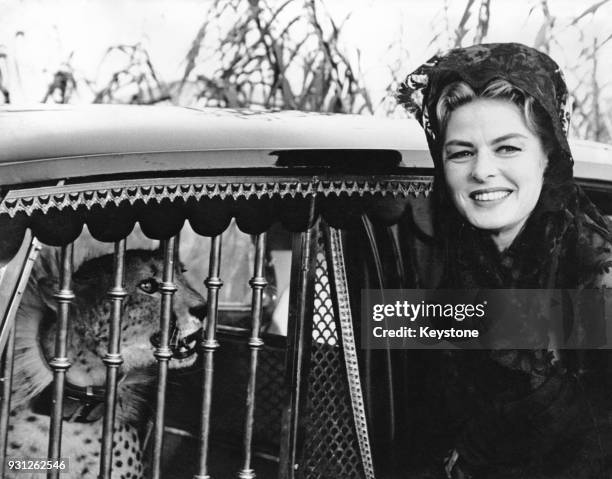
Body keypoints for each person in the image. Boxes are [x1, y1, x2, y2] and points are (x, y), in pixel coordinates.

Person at [397, 43, 612, 478]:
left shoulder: (596, 276)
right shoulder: (447, 269)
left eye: (507, 148)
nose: (482, 171)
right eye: (461, 152)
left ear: (548, 154)